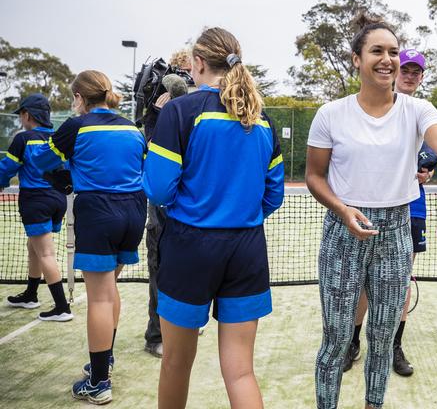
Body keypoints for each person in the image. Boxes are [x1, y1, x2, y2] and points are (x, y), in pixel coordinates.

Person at [306, 15, 437, 409]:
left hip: (396, 232)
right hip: (343, 231)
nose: (387, 59)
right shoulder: (331, 114)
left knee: (382, 337)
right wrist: (343, 210)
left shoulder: (417, 109)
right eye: (376, 51)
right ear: (356, 60)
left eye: (393, 52)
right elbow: (314, 176)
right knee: (336, 338)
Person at [143, 27, 284, 409]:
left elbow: (157, 190)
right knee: (240, 372)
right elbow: (273, 195)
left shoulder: (178, 111)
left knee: (175, 364)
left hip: (190, 247)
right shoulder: (262, 118)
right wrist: (239, 213)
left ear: (198, 64)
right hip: (248, 250)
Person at [32, 71, 147, 404]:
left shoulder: (75, 125)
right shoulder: (130, 126)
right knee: (110, 289)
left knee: (99, 297)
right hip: (135, 211)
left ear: (80, 97)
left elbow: (42, 161)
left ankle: (98, 382)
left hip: (99, 212)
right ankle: (104, 359)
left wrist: (68, 172)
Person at [345, 49, 434, 377]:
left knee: (402, 282)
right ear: (395, 72)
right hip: (372, 208)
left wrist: (427, 171)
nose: (410, 75)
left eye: (416, 71)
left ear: (421, 77)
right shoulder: (368, 110)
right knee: (366, 282)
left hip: (412, 209)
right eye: (406, 69)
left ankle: (395, 346)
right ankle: (353, 341)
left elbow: (431, 155)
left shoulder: (424, 114)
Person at [143, 48, 194, 359]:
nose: (188, 78)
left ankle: (181, 323)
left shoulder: (194, 105)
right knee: (159, 264)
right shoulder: (160, 105)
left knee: (187, 262)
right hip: (163, 198)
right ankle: (155, 333)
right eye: (182, 71)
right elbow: (155, 148)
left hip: (188, 197)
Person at [1, 93, 71, 321]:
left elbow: (7, 168)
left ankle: (61, 307)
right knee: (34, 246)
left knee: (46, 253)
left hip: (35, 201)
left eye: (21, 114)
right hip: (58, 200)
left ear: (27, 115)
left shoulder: (24, 138)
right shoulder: (60, 137)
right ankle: (30, 295)